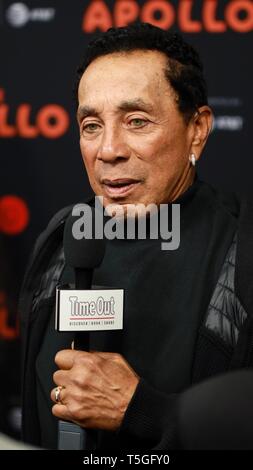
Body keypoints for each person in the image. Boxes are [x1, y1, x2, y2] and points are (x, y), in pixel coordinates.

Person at [20, 22, 253, 450]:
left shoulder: (243, 244)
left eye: (137, 120)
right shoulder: (60, 237)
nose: (108, 149)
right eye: (91, 125)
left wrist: (145, 411)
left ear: (197, 129)